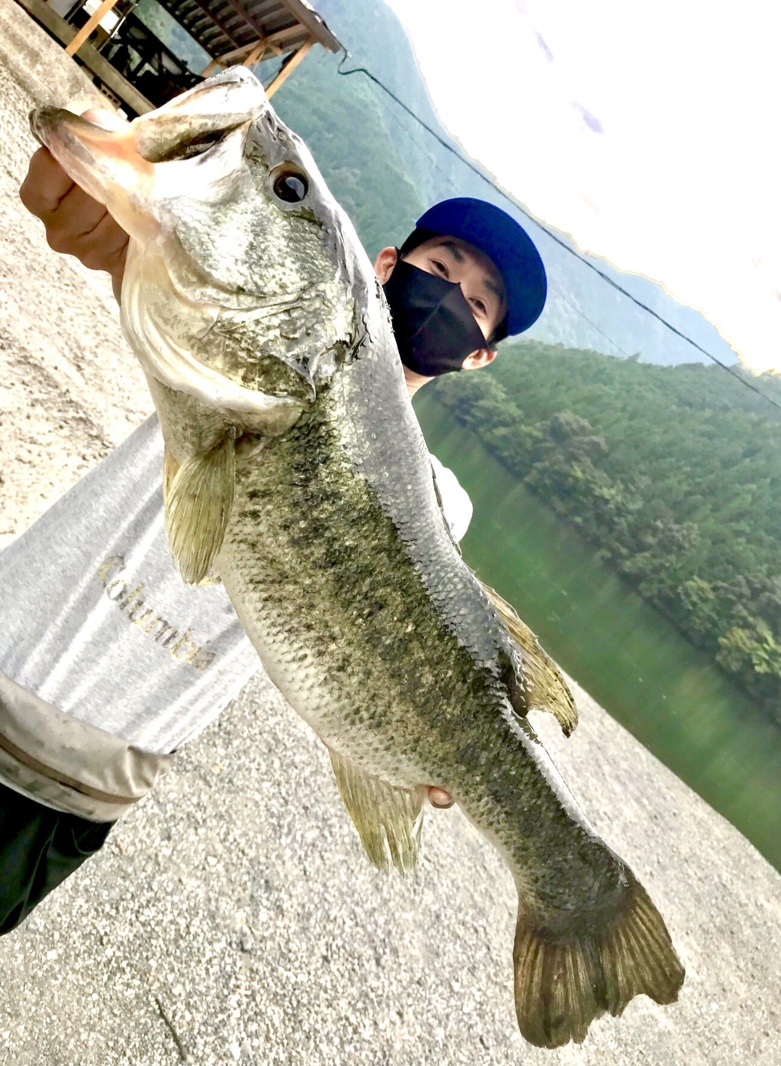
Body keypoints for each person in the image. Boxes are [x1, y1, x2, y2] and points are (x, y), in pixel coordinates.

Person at [0, 129, 547, 934]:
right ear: (383, 266)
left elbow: (407, 659)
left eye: (475, 304)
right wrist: (118, 180)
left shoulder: (436, 504)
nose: (450, 299)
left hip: (85, 778)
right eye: (442, 268)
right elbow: (74, 202)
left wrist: (430, 748)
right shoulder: (240, 316)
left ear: (480, 357)